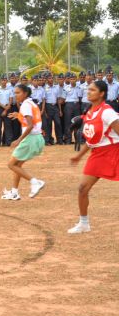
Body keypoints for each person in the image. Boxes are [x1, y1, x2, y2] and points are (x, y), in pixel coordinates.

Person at [68, 80, 119, 234]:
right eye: (88, 89)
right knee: (82, 188)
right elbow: (92, 140)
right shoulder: (89, 112)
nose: (88, 92)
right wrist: (79, 156)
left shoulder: (107, 112)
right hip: (97, 154)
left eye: (92, 90)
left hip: (113, 152)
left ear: (102, 93)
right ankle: (84, 224)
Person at [1, 84, 46, 201]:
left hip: (30, 139)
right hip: (37, 138)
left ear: (25, 93)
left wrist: (18, 140)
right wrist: (19, 116)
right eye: (15, 93)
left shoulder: (25, 105)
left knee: (11, 165)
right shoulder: (31, 103)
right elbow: (32, 120)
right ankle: (14, 192)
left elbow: (30, 126)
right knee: (17, 165)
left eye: (18, 93)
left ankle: (35, 182)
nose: (15, 95)